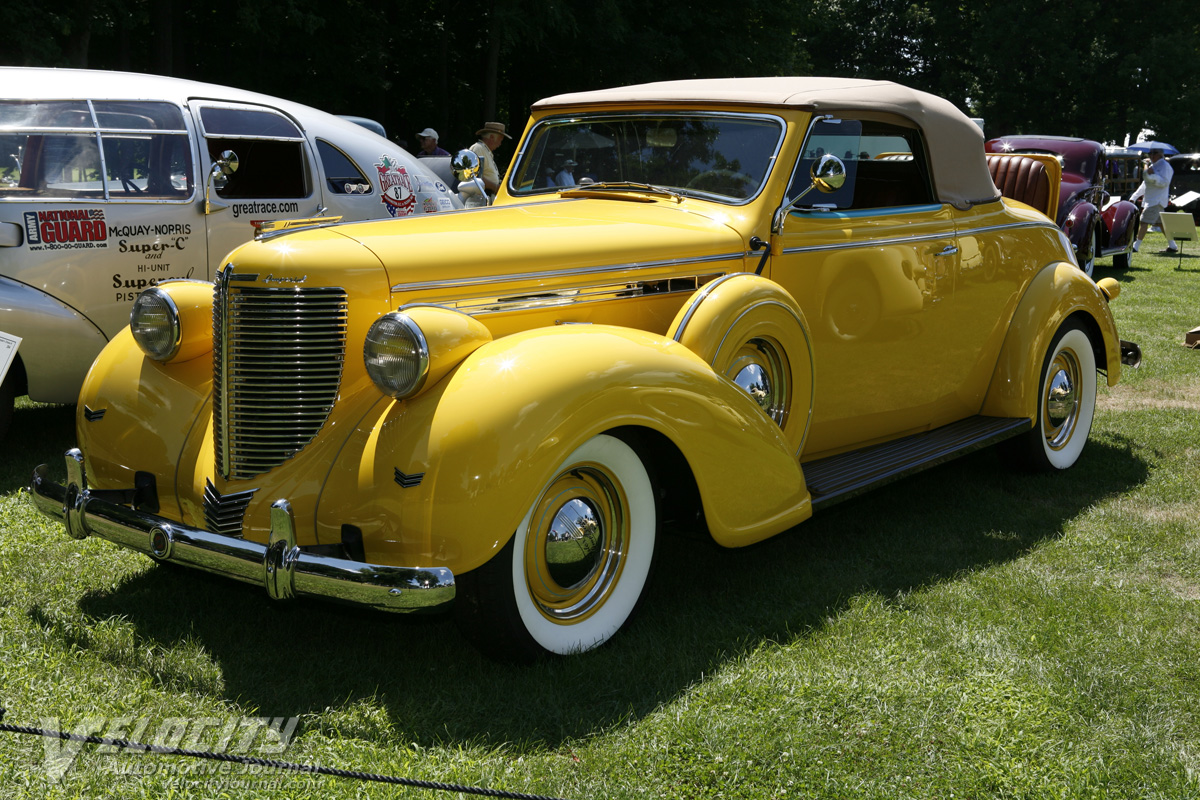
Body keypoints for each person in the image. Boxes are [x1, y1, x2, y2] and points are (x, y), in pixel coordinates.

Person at [1130, 144, 1177, 253]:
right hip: (1152, 200)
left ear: (1160, 154)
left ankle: (1135, 246)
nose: (1151, 155)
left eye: (1153, 153)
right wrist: (1134, 197)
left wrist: (1151, 175)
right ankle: (1173, 246)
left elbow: (1164, 182)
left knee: (1144, 222)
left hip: (1156, 200)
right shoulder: (1154, 166)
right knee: (1161, 224)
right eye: (1150, 153)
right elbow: (1144, 184)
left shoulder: (1165, 166)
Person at [468, 121, 511, 197]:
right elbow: (474, 176)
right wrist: (496, 188)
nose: (500, 144)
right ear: (491, 137)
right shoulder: (478, 148)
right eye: (500, 140)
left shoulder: (486, 151)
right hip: (479, 199)